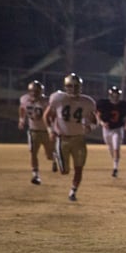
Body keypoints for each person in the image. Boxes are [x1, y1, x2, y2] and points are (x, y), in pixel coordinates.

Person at [43, 73, 97, 201]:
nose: (73, 89)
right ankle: (56, 156)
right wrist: (50, 131)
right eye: (70, 86)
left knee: (79, 168)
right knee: (64, 171)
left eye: (76, 86)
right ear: (65, 87)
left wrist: (90, 127)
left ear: (80, 87)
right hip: (63, 139)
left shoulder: (87, 102)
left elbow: (94, 120)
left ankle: (72, 192)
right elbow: (47, 116)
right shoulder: (58, 98)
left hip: (79, 139)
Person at [18, 80, 57, 184]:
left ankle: (55, 159)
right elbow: (22, 108)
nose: (34, 93)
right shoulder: (24, 99)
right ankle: (35, 175)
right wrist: (21, 120)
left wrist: (52, 128)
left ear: (41, 92)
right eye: (32, 91)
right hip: (33, 130)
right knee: (33, 152)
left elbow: (52, 115)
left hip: (45, 131)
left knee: (49, 155)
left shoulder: (46, 101)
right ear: (29, 91)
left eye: (37, 91)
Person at [95, 86, 126, 177]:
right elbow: (98, 115)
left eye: (116, 95)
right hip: (107, 129)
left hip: (118, 129)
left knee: (116, 148)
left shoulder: (123, 105)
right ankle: (115, 162)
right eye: (113, 95)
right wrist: (102, 123)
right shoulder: (104, 104)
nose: (115, 97)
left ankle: (115, 168)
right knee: (111, 147)